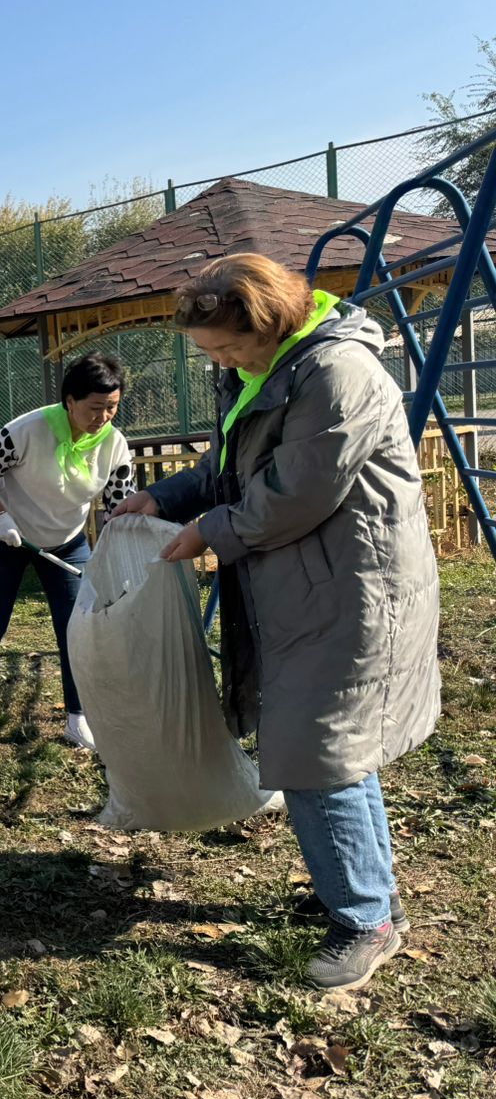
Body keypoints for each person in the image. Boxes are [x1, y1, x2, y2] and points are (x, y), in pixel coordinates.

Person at [112, 253, 439, 990]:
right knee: (337, 748)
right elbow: (233, 462)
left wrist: (211, 531)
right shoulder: (268, 370)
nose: (220, 361)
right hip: (305, 585)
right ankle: (371, 895)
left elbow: (297, 492)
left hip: (352, 589)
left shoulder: (336, 376)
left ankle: (364, 920)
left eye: (228, 347)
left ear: (271, 321)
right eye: (211, 353)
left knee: (319, 749)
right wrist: (166, 499)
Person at [0, 354, 134, 751]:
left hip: (67, 544)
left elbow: (120, 504)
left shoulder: (115, 446)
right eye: (94, 408)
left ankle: (77, 717)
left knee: (77, 630)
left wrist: (115, 553)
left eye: (112, 407)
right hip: (8, 537)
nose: (103, 417)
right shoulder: (28, 430)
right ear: (69, 401)